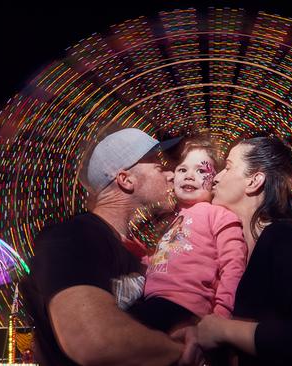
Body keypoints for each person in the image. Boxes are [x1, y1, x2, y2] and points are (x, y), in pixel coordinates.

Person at [175, 133, 292, 365]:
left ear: (254, 181)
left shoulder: (286, 238)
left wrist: (223, 329)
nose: (216, 178)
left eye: (227, 167)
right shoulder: (244, 254)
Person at [21, 128, 187, 366]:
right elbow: (92, 340)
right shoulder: (73, 237)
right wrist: (181, 351)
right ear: (126, 180)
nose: (171, 175)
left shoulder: (135, 253)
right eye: (158, 167)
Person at [129, 137, 248, 333]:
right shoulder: (172, 220)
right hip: (151, 303)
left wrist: (221, 317)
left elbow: (234, 265)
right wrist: (139, 253)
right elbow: (169, 261)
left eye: (201, 171)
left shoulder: (220, 215)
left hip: (185, 310)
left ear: (215, 179)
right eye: (182, 169)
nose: (189, 176)